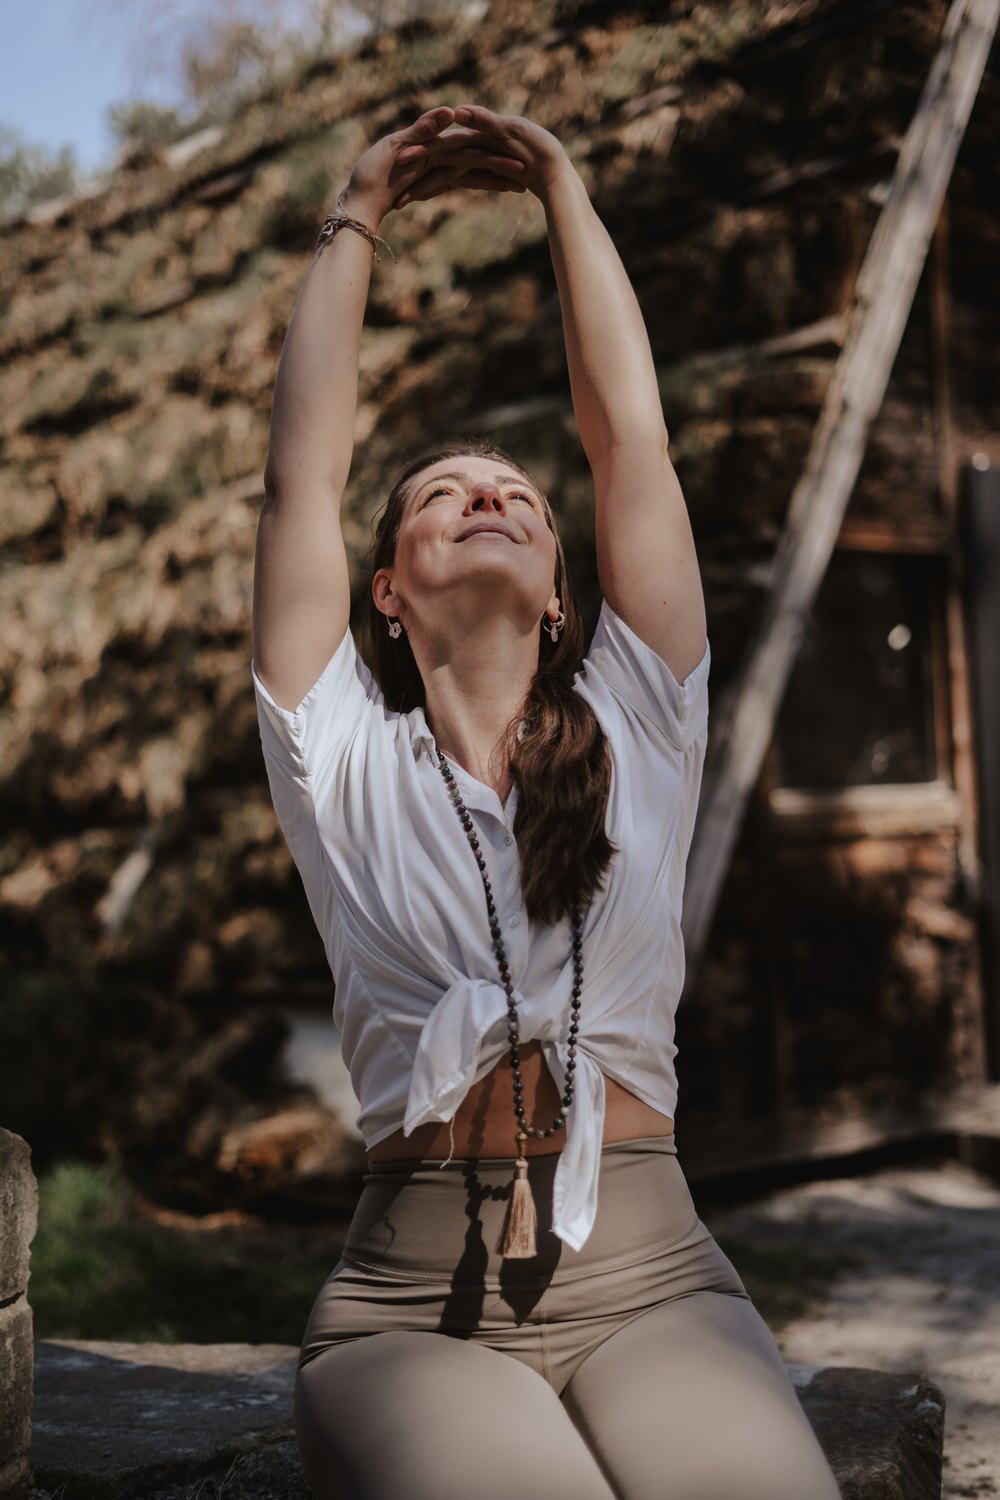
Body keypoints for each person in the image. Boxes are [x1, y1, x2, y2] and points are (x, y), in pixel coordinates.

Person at [251, 104, 842, 1500]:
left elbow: (628, 434)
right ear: (385, 591)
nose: (485, 497)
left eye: (514, 490)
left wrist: (564, 186)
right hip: (411, 1307)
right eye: (441, 495)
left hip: (652, 1274)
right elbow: (299, 475)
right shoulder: (335, 753)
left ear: (563, 583)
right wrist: (357, 215)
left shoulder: (641, 713)